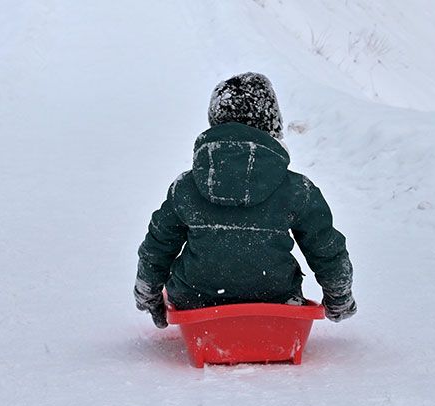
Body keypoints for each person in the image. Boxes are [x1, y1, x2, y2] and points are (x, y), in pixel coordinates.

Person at [134, 72, 356, 328]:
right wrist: (338, 297)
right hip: (276, 302)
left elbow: (158, 246)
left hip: (196, 302)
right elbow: (326, 249)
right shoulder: (297, 189)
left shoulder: (186, 187)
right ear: (272, 125)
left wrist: (149, 294)